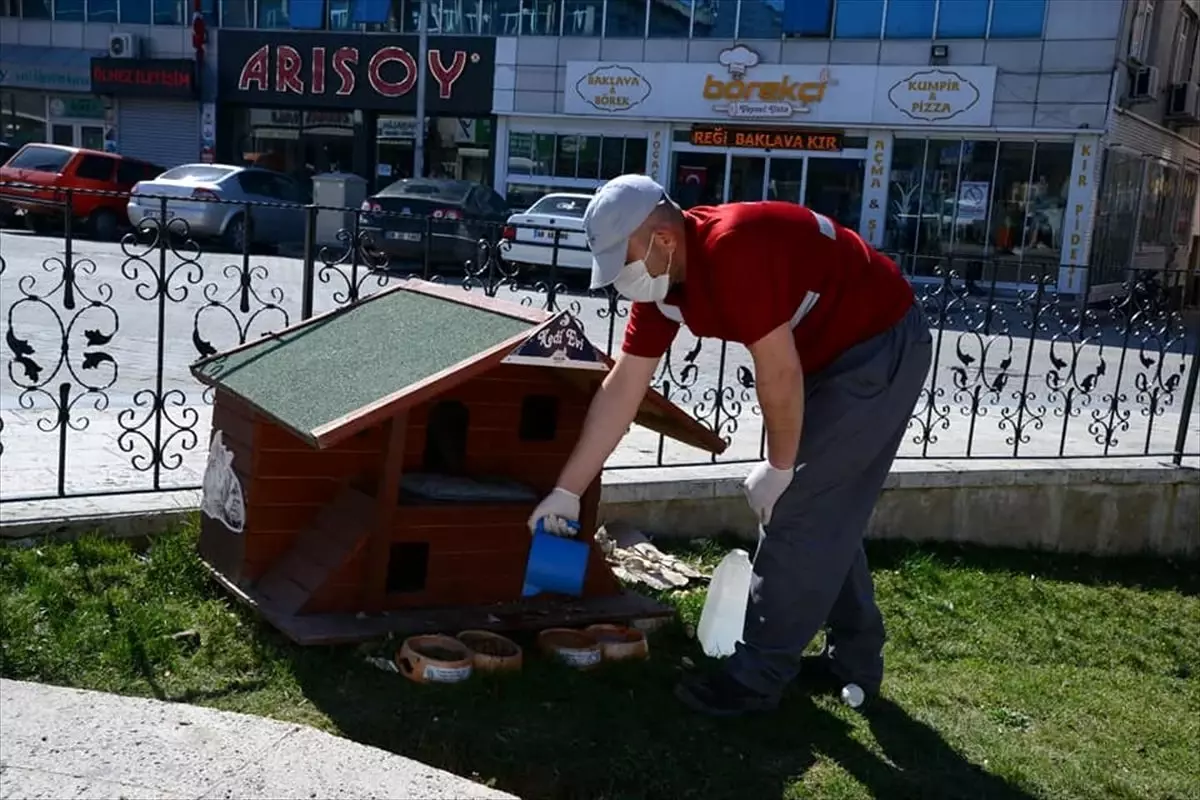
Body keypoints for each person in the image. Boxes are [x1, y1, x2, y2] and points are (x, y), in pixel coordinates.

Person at [526, 174, 933, 717]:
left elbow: (778, 372)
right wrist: (566, 491)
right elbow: (624, 387)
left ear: (663, 239)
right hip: (827, 354)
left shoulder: (733, 249)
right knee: (822, 507)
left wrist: (780, 466)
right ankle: (852, 660)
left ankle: (756, 678)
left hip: (879, 344)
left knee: (800, 507)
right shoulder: (665, 285)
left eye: (623, 261)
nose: (622, 281)